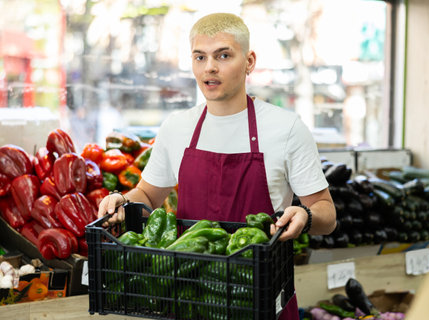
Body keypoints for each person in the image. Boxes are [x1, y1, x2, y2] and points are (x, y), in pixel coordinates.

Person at [98, 12, 336, 319]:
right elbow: (147, 195)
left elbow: (327, 215)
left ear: (249, 61)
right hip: (189, 297)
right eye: (200, 57)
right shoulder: (177, 127)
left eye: (223, 55)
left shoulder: (286, 128)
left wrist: (304, 213)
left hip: (259, 298)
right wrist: (121, 201)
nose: (210, 67)